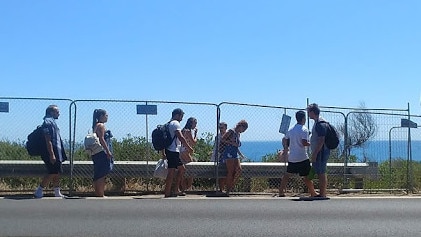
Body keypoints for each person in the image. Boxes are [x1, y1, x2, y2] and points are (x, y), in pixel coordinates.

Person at [278, 110, 317, 197]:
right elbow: (304, 142)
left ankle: (281, 191)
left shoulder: (291, 129)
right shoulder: (304, 129)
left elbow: (285, 139)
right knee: (309, 175)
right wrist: (312, 144)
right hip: (302, 157)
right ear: (303, 119)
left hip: (292, 157)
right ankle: (313, 192)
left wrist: (285, 148)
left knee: (287, 175)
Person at [33, 105, 68, 198]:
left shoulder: (52, 122)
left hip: (57, 152)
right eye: (57, 112)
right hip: (51, 152)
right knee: (52, 172)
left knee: (56, 172)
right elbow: (48, 140)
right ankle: (39, 190)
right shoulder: (47, 123)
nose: (59, 114)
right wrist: (52, 154)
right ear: (51, 112)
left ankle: (57, 191)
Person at [163, 108, 193, 198]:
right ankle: (174, 190)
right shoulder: (176, 124)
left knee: (172, 171)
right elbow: (180, 137)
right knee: (180, 169)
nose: (182, 118)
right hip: (173, 150)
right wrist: (188, 147)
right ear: (177, 115)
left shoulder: (168, 124)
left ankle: (168, 191)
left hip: (169, 150)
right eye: (181, 116)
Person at [307, 103, 330, 198]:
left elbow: (321, 140)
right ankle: (320, 193)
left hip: (321, 152)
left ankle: (322, 193)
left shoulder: (320, 123)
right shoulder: (318, 122)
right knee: (319, 171)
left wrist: (315, 153)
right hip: (320, 151)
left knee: (321, 172)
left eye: (308, 112)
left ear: (312, 112)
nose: (307, 114)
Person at [220, 120, 248, 196]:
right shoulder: (231, 131)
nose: (243, 131)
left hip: (235, 153)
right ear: (241, 126)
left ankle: (231, 185)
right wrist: (231, 143)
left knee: (239, 170)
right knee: (231, 171)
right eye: (243, 129)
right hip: (229, 153)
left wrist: (240, 154)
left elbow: (237, 145)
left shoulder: (238, 134)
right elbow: (222, 139)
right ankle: (228, 190)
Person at [91, 109, 114, 197]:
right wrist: (108, 151)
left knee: (98, 173)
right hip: (102, 152)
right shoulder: (101, 126)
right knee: (102, 174)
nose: (107, 117)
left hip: (96, 153)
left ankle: (98, 193)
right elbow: (101, 139)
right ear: (101, 116)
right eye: (106, 115)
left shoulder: (95, 125)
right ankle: (101, 193)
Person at [180, 117, 198, 192]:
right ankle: (188, 187)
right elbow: (193, 141)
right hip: (185, 151)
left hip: (181, 151)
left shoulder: (183, 130)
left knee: (183, 169)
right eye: (195, 123)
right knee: (191, 169)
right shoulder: (188, 131)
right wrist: (196, 134)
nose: (196, 125)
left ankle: (184, 187)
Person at [211, 122, 228, 192]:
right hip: (219, 156)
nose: (220, 129)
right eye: (219, 128)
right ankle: (220, 188)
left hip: (226, 156)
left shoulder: (228, 135)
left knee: (226, 172)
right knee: (220, 173)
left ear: (226, 128)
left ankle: (223, 187)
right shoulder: (217, 136)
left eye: (222, 128)